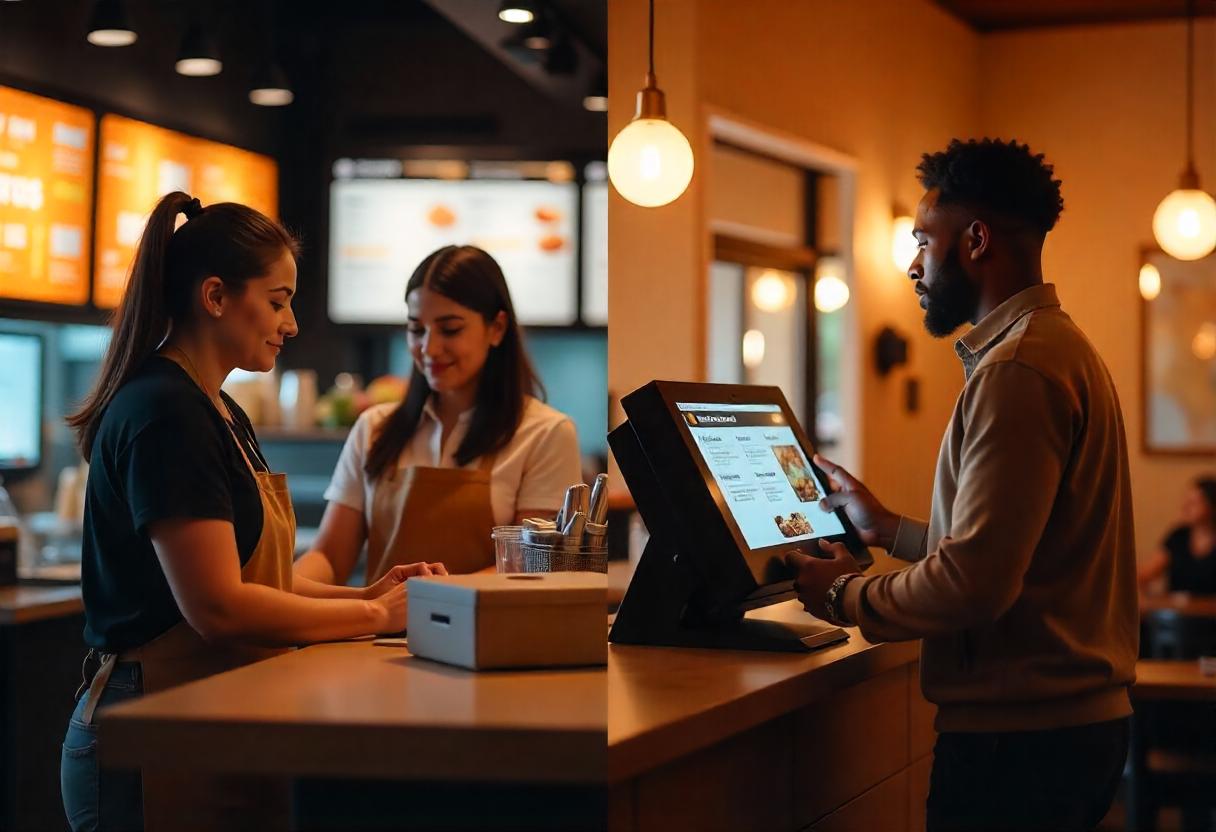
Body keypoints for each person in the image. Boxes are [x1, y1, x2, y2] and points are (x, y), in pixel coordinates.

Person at [61, 192, 440, 832]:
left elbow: (256, 579)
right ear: (215, 297)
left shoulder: (221, 410)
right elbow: (218, 606)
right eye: (277, 300)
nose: (290, 324)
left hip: (210, 713)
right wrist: (375, 616)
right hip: (149, 727)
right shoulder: (165, 412)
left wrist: (363, 594)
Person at [787, 139, 1137, 832]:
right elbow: (1016, 556)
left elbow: (977, 584)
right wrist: (890, 531)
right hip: (1057, 735)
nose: (914, 264)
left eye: (923, 239)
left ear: (975, 240)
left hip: (1022, 745)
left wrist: (840, 594)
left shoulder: (1019, 370)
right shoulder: (1056, 349)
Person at [294, 245, 582, 588]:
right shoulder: (374, 428)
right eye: (417, 330)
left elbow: (527, 569)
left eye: (450, 329)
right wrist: (281, 586)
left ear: (497, 328)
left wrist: (425, 597)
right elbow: (329, 556)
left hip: (486, 638)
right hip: (373, 637)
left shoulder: (545, 433)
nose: (429, 348)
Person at [1138, 477, 1216, 594]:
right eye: (1186, 501)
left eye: (1193, 503)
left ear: (1211, 506)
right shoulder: (1178, 537)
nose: (1186, 507)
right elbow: (1145, 574)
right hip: (1178, 611)